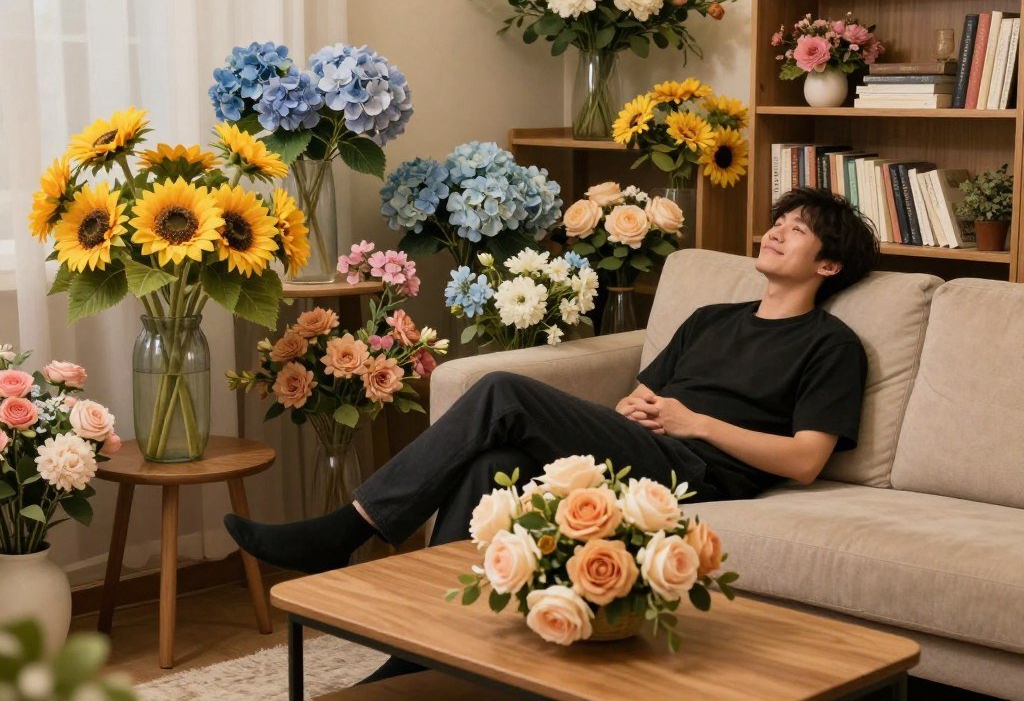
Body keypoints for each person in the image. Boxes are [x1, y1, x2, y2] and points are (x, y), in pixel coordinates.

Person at [225, 188, 880, 577]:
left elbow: (805, 460)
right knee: (496, 463)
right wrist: (637, 406)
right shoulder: (712, 318)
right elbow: (640, 395)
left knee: (502, 389)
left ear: (828, 264)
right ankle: (416, 649)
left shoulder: (830, 346)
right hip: (648, 443)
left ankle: (346, 529)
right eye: (778, 221)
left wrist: (694, 423)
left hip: (699, 468)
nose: (774, 232)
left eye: (796, 232)